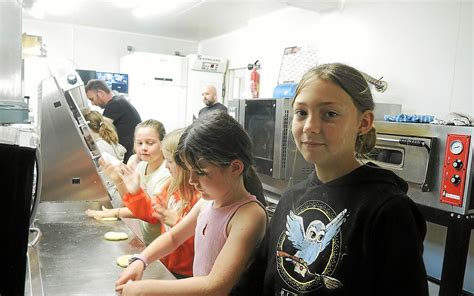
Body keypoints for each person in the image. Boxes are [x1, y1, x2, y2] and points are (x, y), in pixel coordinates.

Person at [234, 63, 428, 295]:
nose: (310, 127)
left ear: (363, 123)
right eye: (301, 113)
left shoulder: (388, 210)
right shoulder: (291, 197)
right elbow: (258, 277)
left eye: (330, 114)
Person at [115, 112, 267, 295]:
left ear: (235, 168)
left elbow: (216, 286)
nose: (192, 180)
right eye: (189, 171)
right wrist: (141, 259)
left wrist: (146, 289)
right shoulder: (206, 203)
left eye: (200, 172)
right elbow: (173, 238)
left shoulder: (248, 215)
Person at [120, 128, 201, 278]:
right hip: (166, 264)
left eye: (169, 161)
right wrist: (135, 192)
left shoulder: (201, 197)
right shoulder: (171, 185)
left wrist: (177, 222)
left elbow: (203, 244)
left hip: (188, 274)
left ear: (186, 164)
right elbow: (151, 214)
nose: (166, 166)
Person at [86, 119, 170, 245]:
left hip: (164, 242)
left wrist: (114, 211)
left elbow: (153, 214)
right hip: (149, 239)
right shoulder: (142, 167)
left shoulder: (167, 172)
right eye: (139, 143)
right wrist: (118, 180)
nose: (144, 148)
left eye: (150, 143)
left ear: (162, 143)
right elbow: (132, 204)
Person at [85, 79, 141, 163]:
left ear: (100, 94)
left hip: (129, 154)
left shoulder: (114, 104)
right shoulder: (119, 100)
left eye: (92, 99)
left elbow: (100, 128)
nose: (93, 103)